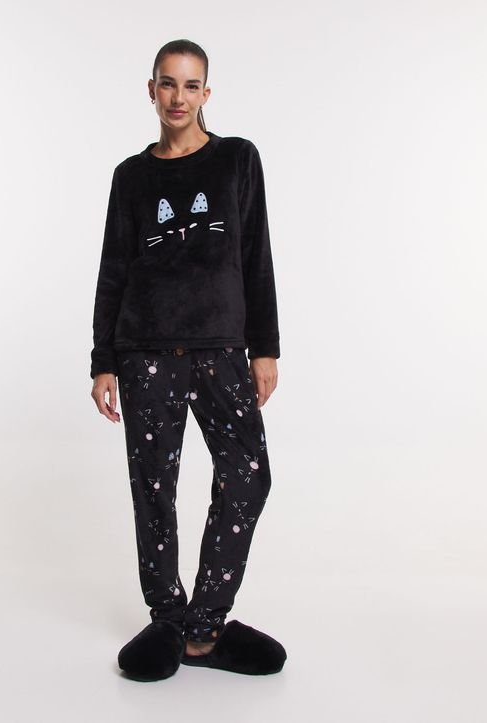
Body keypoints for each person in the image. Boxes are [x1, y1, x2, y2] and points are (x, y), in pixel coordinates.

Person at [90, 39, 287, 681]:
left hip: (222, 350)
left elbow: (256, 255)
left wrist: (264, 346)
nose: (179, 97)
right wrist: (103, 359)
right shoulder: (131, 176)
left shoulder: (236, 160)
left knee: (247, 477)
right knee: (154, 489)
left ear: (207, 92)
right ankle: (168, 619)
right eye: (168, 84)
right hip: (145, 352)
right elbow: (114, 268)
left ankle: (205, 626)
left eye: (191, 85)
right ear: (152, 90)